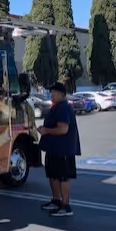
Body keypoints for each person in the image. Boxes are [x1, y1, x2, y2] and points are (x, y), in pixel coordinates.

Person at [38, 82, 81, 217]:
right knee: (53, 175)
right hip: (53, 148)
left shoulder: (64, 107)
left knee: (63, 177)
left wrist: (46, 131)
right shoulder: (56, 107)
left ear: (62, 94)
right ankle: (56, 201)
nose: (52, 95)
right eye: (51, 93)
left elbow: (63, 129)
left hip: (63, 149)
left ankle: (65, 206)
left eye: (54, 93)